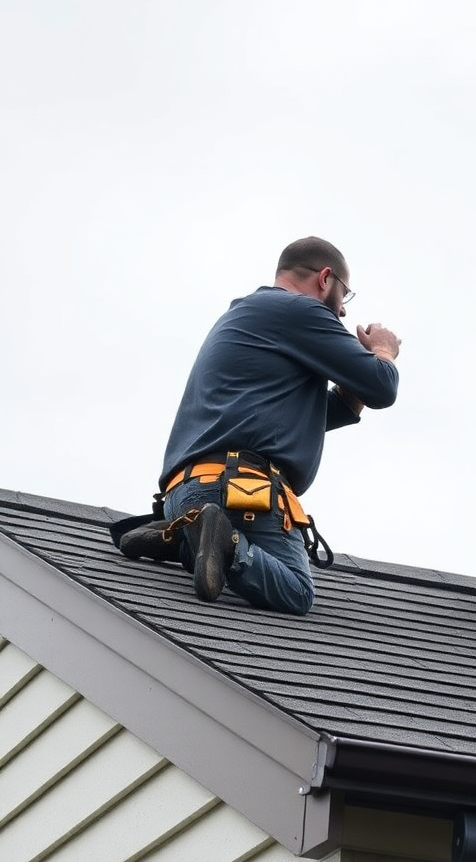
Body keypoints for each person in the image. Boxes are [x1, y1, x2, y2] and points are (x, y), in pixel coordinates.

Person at [118, 236, 400, 614]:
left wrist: (357, 377)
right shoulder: (298, 311)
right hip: (238, 489)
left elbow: (313, 416)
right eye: (344, 295)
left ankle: (184, 537)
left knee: (217, 538)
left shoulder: (251, 315)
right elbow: (383, 387)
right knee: (297, 590)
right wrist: (382, 352)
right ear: (325, 278)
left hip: (186, 492)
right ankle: (220, 542)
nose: (344, 313)